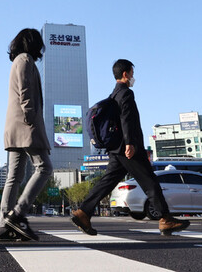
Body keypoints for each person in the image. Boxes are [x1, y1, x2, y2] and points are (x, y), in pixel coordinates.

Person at [71, 59, 190, 237]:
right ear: (125, 74)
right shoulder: (126, 93)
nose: (133, 77)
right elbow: (127, 119)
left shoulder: (113, 95)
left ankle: (83, 212)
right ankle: (165, 219)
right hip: (128, 149)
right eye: (132, 73)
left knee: (108, 181)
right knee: (150, 181)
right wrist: (130, 143)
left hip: (116, 149)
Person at [0, 28, 53, 242]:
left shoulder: (18, 60)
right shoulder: (25, 59)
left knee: (15, 176)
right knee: (45, 167)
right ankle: (18, 214)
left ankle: (3, 226)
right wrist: (30, 117)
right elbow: (26, 90)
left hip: (15, 124)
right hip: (25, 123)